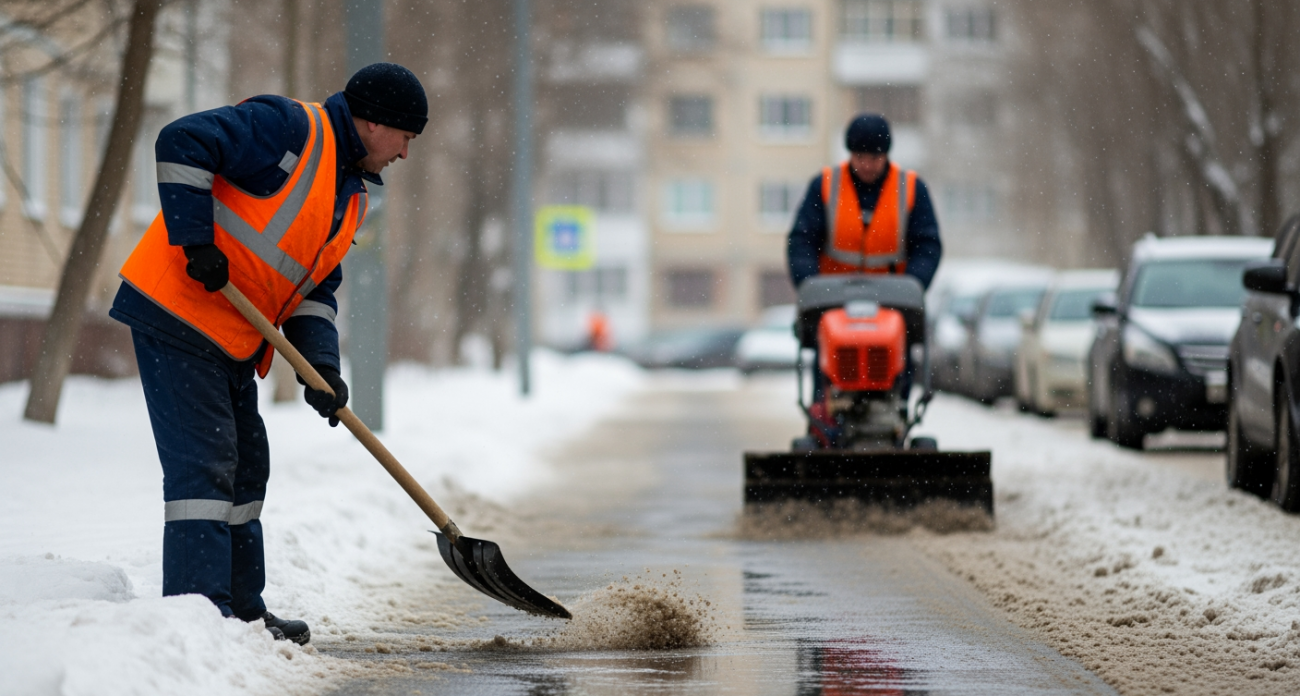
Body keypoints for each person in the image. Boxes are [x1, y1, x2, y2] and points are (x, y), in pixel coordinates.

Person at [108, 63, 427, 644]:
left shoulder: (350, 195)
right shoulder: (289, 129)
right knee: (204, 469)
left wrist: (321, 368)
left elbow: (312, 291)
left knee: (247, 466)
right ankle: (197, 621)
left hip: (232, 336)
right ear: (375, 122)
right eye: (406, 138)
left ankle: (242, 616)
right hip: (177, 312)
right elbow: (181, 140)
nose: (405, 154)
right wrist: (194, 239)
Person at [786, 113, 943, 435]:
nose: (867, 164)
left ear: (886, 155)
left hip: (892, 301)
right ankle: (826, 420)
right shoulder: (826, 186)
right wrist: (809, 283)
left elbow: (927, 244)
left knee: (896, 358)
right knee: (829, 360)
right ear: (849, 154)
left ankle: (895, 415)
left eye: (874, 157)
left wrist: (913, 284)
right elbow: (802, 239)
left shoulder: (911, 189)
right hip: (833, 300)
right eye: (860, 157)